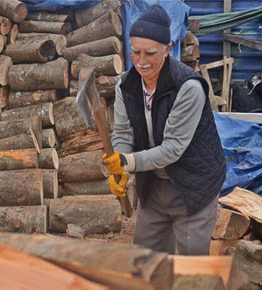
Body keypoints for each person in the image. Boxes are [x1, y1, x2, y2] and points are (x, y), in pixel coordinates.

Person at [104, 5, 226, 255]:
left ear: (168, 49)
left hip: (193, 185)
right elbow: (123, 134)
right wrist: (121, 164)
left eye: (150, 53)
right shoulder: (125, 86)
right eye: (135, 52)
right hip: (154, 186)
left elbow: (172, 149)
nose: (140, 61)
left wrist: (127, 162)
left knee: (193, 268)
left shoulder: (188, 87)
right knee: (146, 261)